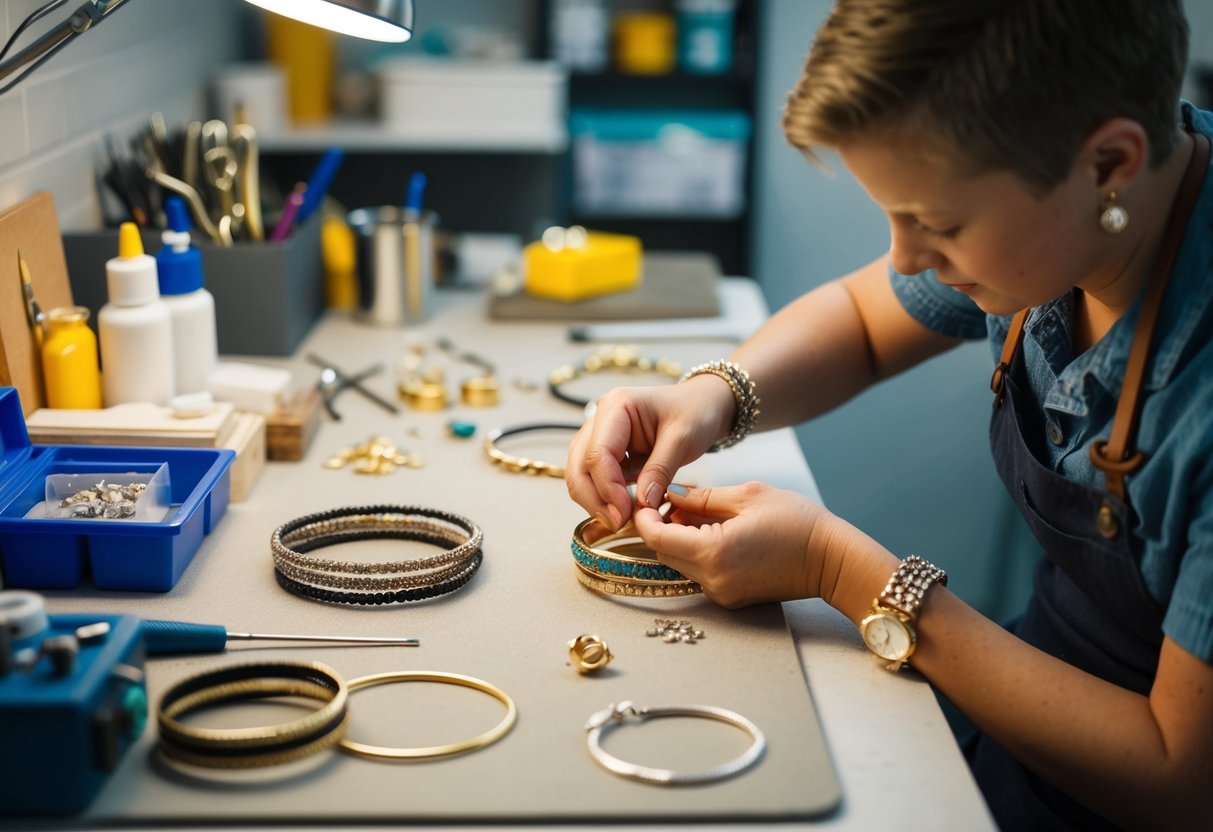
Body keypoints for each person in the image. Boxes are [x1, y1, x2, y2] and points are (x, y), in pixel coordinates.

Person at [564, 1, 1212, 829]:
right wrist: (710, 395)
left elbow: (1180, 780)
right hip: (1021, 703)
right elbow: (865, 322)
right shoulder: (1078, 226)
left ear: (1107, 165)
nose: (905, 258)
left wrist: (842, 572)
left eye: (937, 224)